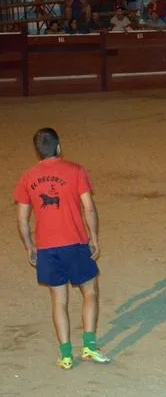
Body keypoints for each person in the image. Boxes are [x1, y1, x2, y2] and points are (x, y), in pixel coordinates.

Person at [13, 128, 110, 369]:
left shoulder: (27, 177)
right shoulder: (76, 170)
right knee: (90, 292)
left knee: (59, 301)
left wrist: (29, 246)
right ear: (59, 146)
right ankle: (89, 346)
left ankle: (66, 355)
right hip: (75, 243)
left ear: (37, 151)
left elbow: (22, 219)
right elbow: (89, 208)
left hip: (47, 248)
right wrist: (94, 237)